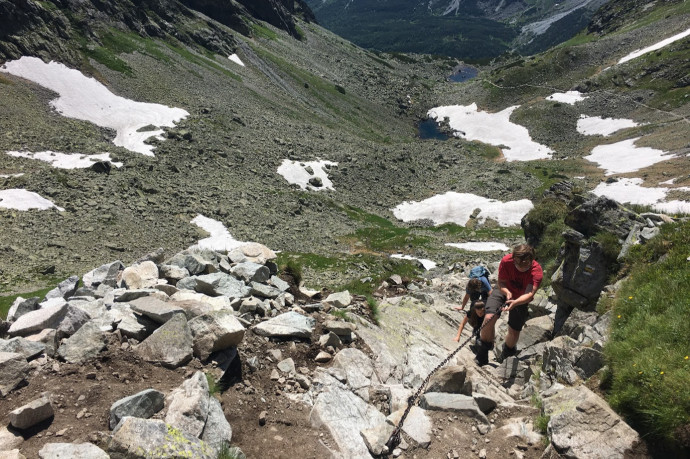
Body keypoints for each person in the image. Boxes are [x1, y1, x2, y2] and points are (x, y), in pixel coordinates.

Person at [474, 244, 543, 366]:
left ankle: (507, 353)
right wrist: (507, 292)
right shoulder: (506, 261)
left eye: (525, 265)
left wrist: (516, 302)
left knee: (514, 331)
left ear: (532, 261)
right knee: (489, 318)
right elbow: (501, 282)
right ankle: (483, 351)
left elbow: (530, 293)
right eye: (517, 264)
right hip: (502, 290)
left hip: (521, 299)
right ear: (513, 258)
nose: (521, 268)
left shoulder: (536, 271)